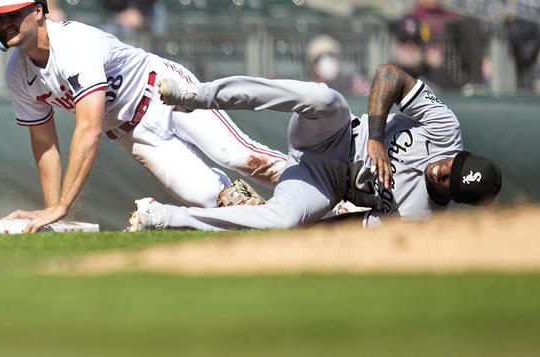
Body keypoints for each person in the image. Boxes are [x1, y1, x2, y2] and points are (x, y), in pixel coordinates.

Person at [0, 0, 287, 232]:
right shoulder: (17, 73)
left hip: (165, 93)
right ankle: (286, 224)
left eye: (13, 13)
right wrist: (50, 210)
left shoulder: (73, 44)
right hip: (131, 132)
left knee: (242, 156)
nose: (5, 22)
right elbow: (44, 142)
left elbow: (88, 130)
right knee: (207, 196)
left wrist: (62, 205)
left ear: (37, 12)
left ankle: (330, 194)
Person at [126, 64, 502, 231]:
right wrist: (374, 137)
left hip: (321, 183)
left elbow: (356, 227)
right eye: (453, 164)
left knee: (283, 221)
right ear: (461, 154)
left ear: (453, 197)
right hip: (332, 134)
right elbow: (390, 75)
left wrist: (309, 227)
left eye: (448, 181)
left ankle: (164, 218)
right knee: (326, 98)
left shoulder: (419, 215)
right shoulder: (444, 129)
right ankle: (201, 94)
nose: (441, 170)